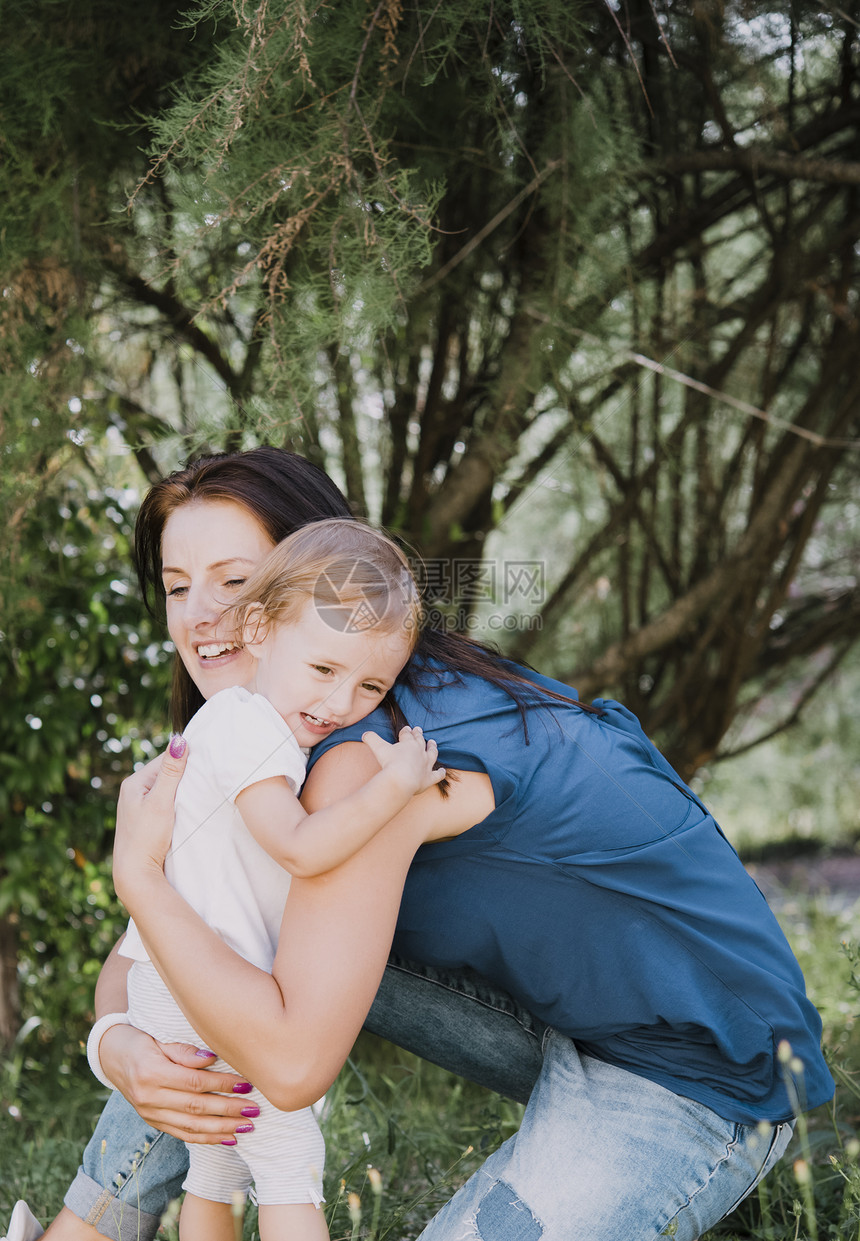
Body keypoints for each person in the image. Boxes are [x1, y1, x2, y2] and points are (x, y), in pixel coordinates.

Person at [9, 447, 833, 1241]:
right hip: (571, 1007)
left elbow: (290, 1065)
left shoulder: (359, 753)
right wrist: (114, 1046)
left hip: (695, 1066)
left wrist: (138, 877)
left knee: (235, 967)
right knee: (228, 946)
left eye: (237, 581)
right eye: (177, 586)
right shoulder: (271, 728)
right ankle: (88, 1230)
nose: (202, 617)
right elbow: (166, 949)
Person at [114, 518, 443, 1241]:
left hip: (176, 984)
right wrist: (397, 787)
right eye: (323, 669)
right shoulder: (247, 726)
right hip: (211, 987)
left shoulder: (243, 726)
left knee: (218, 1170)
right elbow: (297, 848)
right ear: (257, 631)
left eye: (369, 684)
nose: (338, 702)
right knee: (290, 1161)